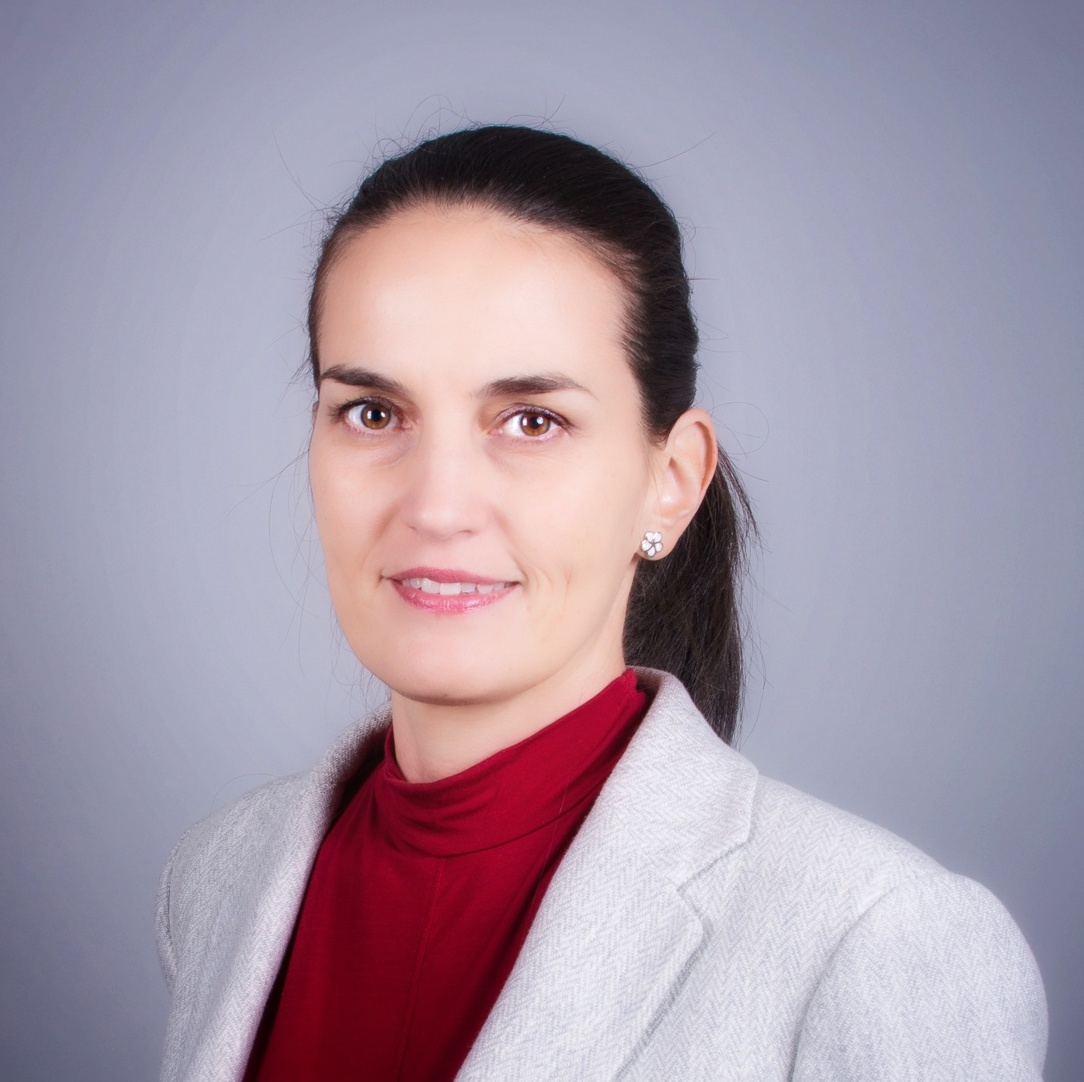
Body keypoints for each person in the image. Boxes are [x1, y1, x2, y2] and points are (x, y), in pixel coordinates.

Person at [156, 125, 1047, 1081]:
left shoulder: (873, 939)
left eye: (532, 421)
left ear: (672, 480)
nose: (438, 507)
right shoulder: (218, 879)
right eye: (373, 413)